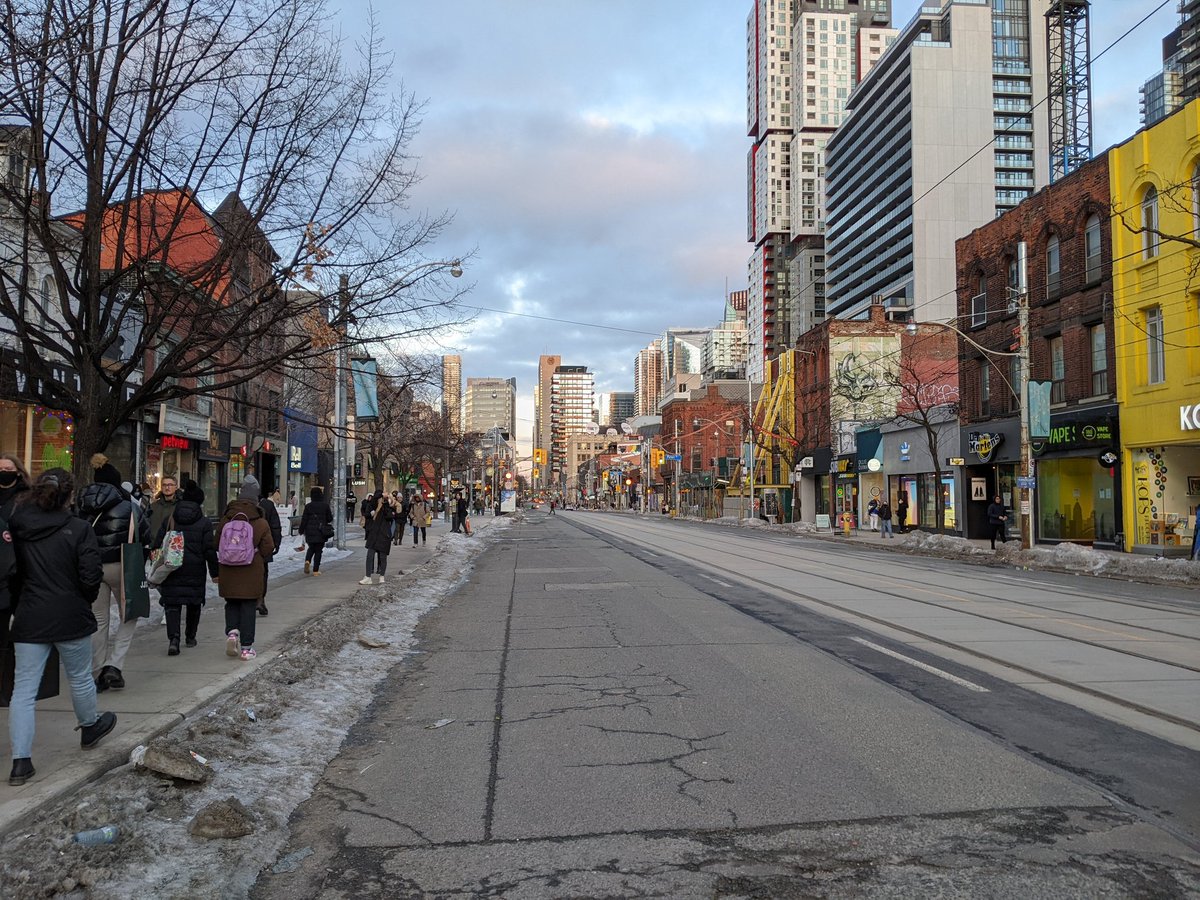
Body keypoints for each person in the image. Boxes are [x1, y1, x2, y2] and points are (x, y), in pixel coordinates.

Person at [7, 468, 117, 785]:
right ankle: (89, 727)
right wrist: (81, 600)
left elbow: (13, 573)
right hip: (70, 614)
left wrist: (20, 603)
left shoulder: (19, 525)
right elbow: (89, 575)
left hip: (30, 615)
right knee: (80, 678)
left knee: (23, 691)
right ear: (70, 495)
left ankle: (20, 761)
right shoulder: (79, 529)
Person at [76, 463, 151, 692]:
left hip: (92, 568)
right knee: (129, 614)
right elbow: (145, 536)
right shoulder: (129, 506)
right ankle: (115, 666)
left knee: (98, 620)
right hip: (123, 565)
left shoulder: (83, 505)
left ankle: (97, 672)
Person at [155, 480, 217, 655]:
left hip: (172, 567)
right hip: (195, 569)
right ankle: (190, 636)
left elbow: (158, 543)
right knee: (193, 603)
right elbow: (209, 550)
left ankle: (174, 639)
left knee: (172, 603)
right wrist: (215, 572)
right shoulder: (204, 523)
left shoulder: (171, 520)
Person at [215, 493, 274, 661]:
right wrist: (256, 556)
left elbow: (215, 543)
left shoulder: (226, 521)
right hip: (251, 570)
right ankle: (246, 649)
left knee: (231, 602)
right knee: (248, 606)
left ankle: (232, 633)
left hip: (228, 570)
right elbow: (268, 546)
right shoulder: (261, 522)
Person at [252, 484, 282, 617]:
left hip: (243, 547)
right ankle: (260, 599)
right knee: (262, 573)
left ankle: (249, 599)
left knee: (247, 573)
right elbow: (275, 526)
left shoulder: (239, 506)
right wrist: (276, 543)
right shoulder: (268, 506)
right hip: (263, 546)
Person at [360, 490, 397, 585]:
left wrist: (385, 505)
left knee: (382, 557)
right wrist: (380, 496)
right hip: (374, 534)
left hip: (384, 535)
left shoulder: (389, 506)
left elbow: (390, 517)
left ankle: (382, 576)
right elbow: (367, 513)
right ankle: (368, 576)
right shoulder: (373, 506)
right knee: (369, 556)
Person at [299, 487, 333, 576]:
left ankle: (307, 561)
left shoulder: (308, 506)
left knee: (311, 548)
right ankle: (315, 570)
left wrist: (301, 530)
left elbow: (304, 519)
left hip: (309, 531)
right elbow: (330, 518)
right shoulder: (325, 506)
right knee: (318, 550)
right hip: (321, 532)